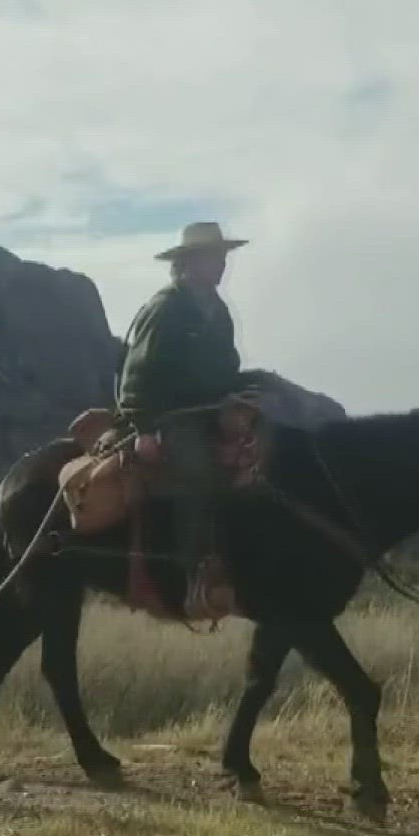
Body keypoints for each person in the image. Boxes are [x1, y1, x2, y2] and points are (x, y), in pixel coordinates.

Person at [114, 221, 253, 613]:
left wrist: (242, 396)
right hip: (170, 418)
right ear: (190, 261)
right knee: (199, 472)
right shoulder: (166, 307)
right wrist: (144, 429)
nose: (223, 264)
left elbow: (227, 369)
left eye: (224, 256)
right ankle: (193, 576)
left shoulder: (218, 311)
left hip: (212, 413)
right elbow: (136, 377)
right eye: (215, 257)